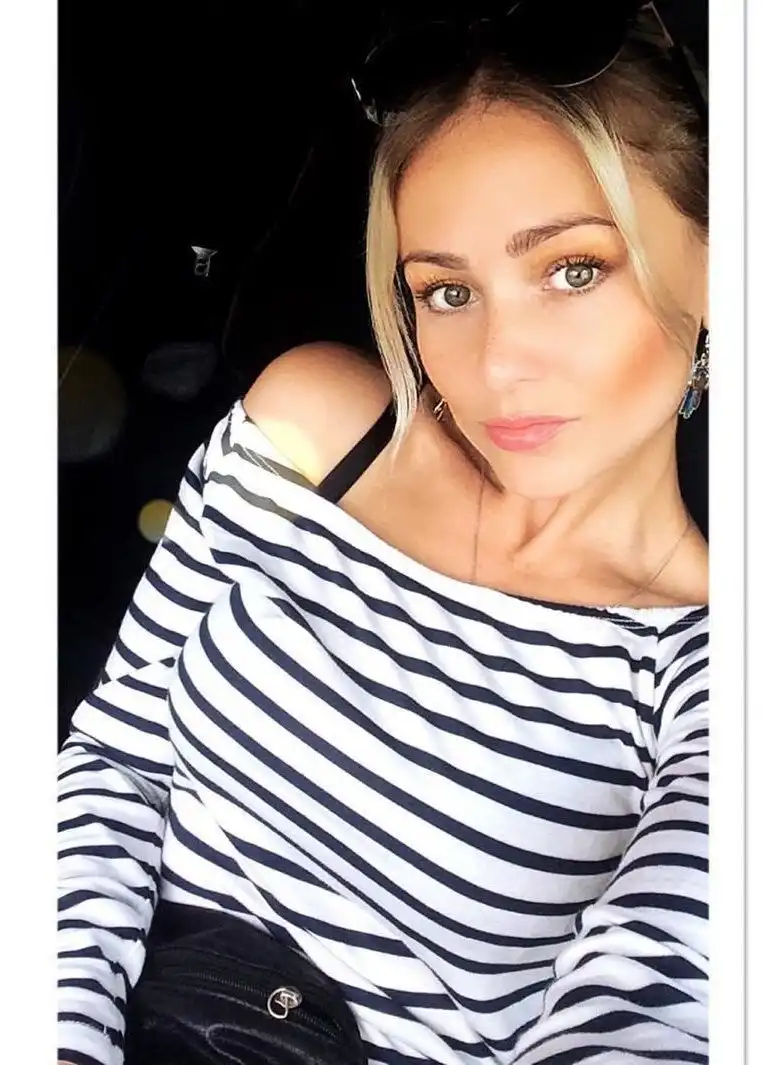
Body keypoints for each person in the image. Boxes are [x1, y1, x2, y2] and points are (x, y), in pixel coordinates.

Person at [58, 6, 709, 1064]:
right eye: (447, 291)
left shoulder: (710, 675)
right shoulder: (312, 431)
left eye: (573, 270)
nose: (499, 362)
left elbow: (656, 1016)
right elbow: (113, 757)